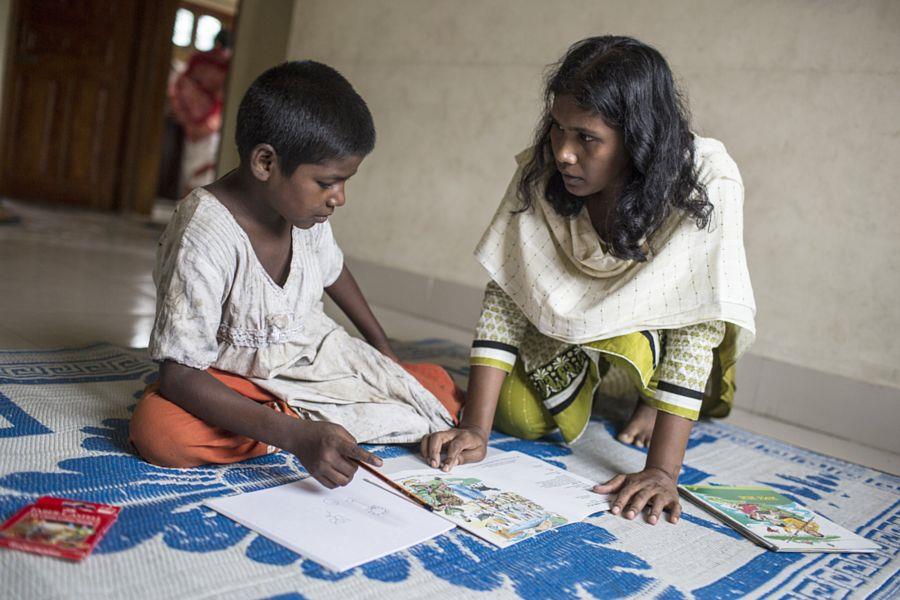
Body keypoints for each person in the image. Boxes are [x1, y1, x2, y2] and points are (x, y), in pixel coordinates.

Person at [421, 36, 755, 525]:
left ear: (638, 139)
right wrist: (477, 427)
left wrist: (662, 470)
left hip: (658, 323)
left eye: (586, 138)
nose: (564, 154)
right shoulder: (542, 170)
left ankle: (651, 399)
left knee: (673, 347)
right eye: (557, 129)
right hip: (573, 318)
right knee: (518, 416)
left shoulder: (705, 180)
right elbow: (509, 290)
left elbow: (696, 319)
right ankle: (598, 376)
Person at [130, 61, 463, 489]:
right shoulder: (204, 234)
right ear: (266, 162)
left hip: (312, 360)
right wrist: (294, 437)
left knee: (438, 388)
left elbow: (334, 272)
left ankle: (299, 422)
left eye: (344, 182)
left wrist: (385, 355)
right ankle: (292, 423)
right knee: (161, 431)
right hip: (234, 378)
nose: (339, 198)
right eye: (328, 182)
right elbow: (179, 375)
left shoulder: (304, 213)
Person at [169, 30, 233, 196]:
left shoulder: (221, 64)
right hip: (199, 123)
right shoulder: (201, 61)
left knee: (202, 172)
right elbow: (181, 88)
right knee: (193, 173)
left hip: (208, 123)